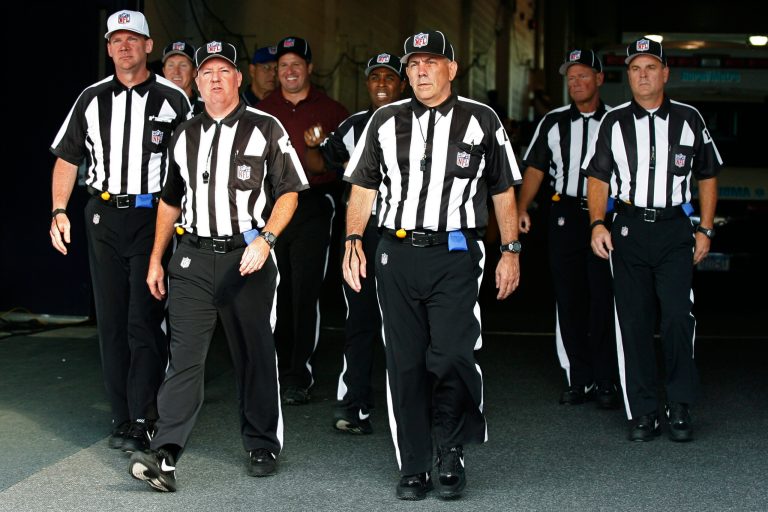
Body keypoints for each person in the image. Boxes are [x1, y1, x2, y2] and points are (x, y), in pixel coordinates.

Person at [343, 30, 522, 500]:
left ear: (452, 68)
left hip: (456, 253)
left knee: (451, 355)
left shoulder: (481, 120)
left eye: (430, 62)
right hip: (396, 253)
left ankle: (451, 448)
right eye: (414, 64)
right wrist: (353, 239)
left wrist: (511, 250)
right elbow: (362, 186)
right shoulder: (384, 120)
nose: (420, 71)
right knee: (404, 363)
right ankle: (414, 464)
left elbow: (503, 189)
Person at [128, 41, 308, 492]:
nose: (212, 79)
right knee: (184, 357)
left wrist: (266, 240)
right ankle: (165, 453)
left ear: (238, 78)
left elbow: (289, 191)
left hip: (244, 258)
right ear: (196, 80)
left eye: (222, 71)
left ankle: (262, 441)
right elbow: (170, 201)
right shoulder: (184, 133)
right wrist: (156, 258)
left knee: (253, 354)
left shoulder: (266, 127)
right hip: (190, 258)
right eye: (205, 72)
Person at [49, 9, 191, 454]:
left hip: (152, 218)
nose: (124, 46)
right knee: (111, 321)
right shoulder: (90, 99)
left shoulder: (174, 99)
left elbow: (191, 165)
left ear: (149, 46)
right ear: (108, 48)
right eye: (116, 40)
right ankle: (122, 416)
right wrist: (58, 210)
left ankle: (146, 415)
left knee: (143, 319)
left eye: (133, 39)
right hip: (103, 215)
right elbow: (68, 158)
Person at [583, 38, 722, 442]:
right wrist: (597, 223)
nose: (642, 75)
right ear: (628, 77)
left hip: (675, 231)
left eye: (650, 68)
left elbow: (708, 175)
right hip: (627, 230)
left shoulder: (690, 118)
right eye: (635, 69)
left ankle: (680, 405)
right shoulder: (614, 122)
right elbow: (598, 177)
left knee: (678, 317)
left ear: (665, 73)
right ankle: (643, 410)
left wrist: (705, 228)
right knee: (634, 322)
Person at [304, 52, 406, 434]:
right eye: (375, 77)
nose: (381, 83)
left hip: (405, 238)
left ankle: (414, 405)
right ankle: (355, 405)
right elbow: (319, 166)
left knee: (407, 325)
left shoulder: (421, 122)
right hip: (362, 233)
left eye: (389, 77)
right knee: (360, 320)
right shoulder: (354, 126)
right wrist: (313, 146)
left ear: (403, 83)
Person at [517, 49, 619, 408]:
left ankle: (607, 380)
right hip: (563, 217)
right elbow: (535, 167)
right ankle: (580, 378)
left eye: (583, 76)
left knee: (603, 299)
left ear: (600, 79)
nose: (576, 83)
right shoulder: (553, 122)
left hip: (604, 219)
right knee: (569, 299)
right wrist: (521, 207)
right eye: (570, 78)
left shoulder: (616, 121)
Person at [258, 36, 349, 405]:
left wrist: (322, 148)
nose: (290, 71)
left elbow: (349, 165)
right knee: (277, 287)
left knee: (305, 289)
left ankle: (299, 374)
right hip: (273, 206)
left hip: (314, 205)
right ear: (274, 71)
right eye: (283, 65)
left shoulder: (333, 111)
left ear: (310, 68)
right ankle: (275, 367)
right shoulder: (263, 110)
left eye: (297, 64)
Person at [162, 40, 204, 115]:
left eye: (183, 65)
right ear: (164, 71)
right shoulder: (150, 105)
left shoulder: (208, 109)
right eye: (171, 65)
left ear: (194, 71)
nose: (176, 72)